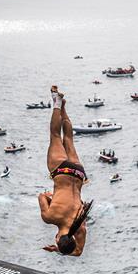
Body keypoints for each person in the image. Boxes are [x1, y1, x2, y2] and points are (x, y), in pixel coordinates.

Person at [39, 86, 91, 256]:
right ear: (56, 238)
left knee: (68, 138)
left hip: (78, 174)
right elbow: (41, 196)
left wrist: (59, 250)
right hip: (61, 172)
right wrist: (50, 197)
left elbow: (78, 252)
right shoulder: (50, 217)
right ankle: (57, 101)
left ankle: (64, 106)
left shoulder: (80, 227)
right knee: (55, 135)